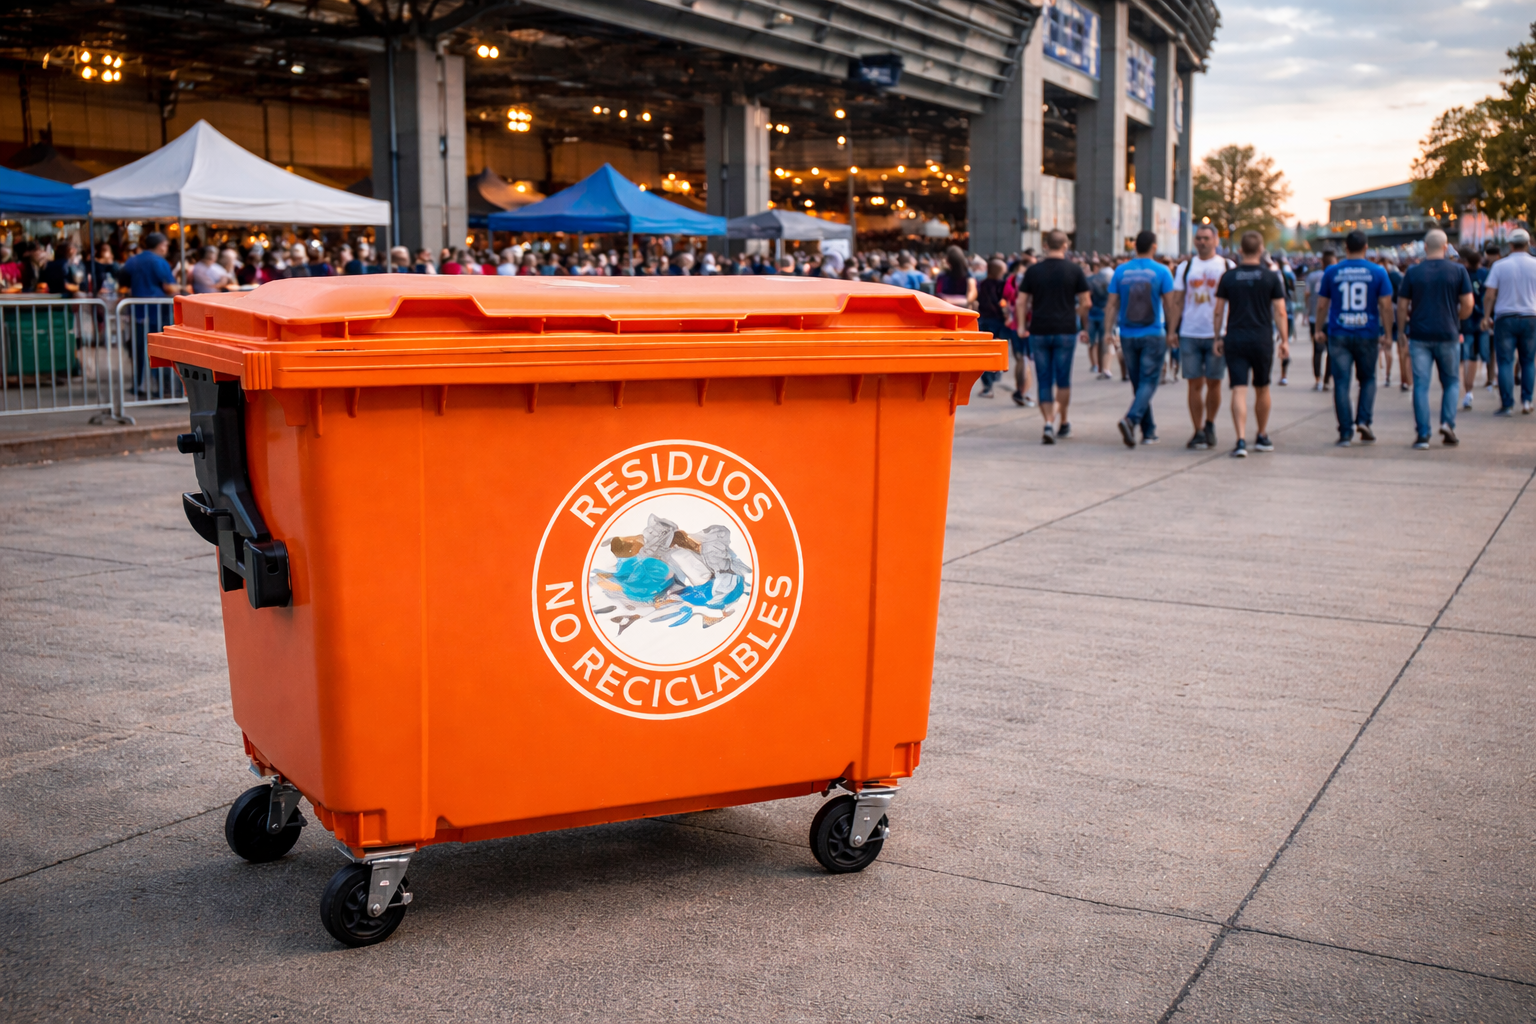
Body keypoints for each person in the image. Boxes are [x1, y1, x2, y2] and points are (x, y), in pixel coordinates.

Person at [1213, 230, 1289, 457]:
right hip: (1261, 338)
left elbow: (1218, 310)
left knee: (1238, 389)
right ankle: (1262, 434)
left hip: (1235, 336)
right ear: (1261, 249)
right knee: (1262, 387)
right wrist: (1284, 340)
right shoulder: (1270, 277)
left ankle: (1240, 439)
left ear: (1240, 250)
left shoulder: (1229, 277)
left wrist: (1218, 336)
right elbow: (1280, 311)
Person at [1316, 231, 1394, 446]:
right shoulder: (1378, 272)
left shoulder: (1332, 271)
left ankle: (1345, 431)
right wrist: (1387, 334)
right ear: (1366, 247)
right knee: (1368, 379)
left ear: (1345, 247)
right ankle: (1364, 420)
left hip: (1339, 332)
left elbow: (1322, 304)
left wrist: (1317, 329)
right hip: (1366, 332)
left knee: (1341, 382)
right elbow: (1386, 306)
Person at [1398, 229, 1472, 447]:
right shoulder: (1458, 271)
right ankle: (1448, 423)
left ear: (1424, 247)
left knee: (1421, 385)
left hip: (1419, 334)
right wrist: (1456, 319)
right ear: (1445, 246)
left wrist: (1402, 330)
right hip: (1448, 333)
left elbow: (1402, 305)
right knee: (1451, 382)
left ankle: (1423, 434)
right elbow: (1468, 303)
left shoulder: (1413, 272)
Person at [1105, 231, 1177, 446]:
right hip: (1153, 332)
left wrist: (1108, 332)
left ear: (1135, 246)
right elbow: (1170, 305)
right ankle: (1131, 419)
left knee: (1138, 383)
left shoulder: (1121, 271)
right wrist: (1172, 331)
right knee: (1150, 381)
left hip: (1127, 333)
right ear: (1154, 247)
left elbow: (1111, 304)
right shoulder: (1162, 271)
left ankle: (1149, 431)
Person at [1018, 231, 1090, 443]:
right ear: (1066, 245)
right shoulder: (1074, 270)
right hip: (1065, 329)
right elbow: (1086, 302)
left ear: (1045, 245)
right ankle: (1058, 421)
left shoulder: (1033, 271)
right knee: (1063, 381)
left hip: (1039, 329)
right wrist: (1075, 316)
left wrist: (1022, 326)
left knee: (1044, 380)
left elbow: (1021, 302)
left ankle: (1050, 423)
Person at [1169, 224, 1232, 449]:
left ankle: (1210, 423)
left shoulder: (1227, 266)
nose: (1201, 242)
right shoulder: (1186, 267)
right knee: (1193, 383)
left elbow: (1233, 302)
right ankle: (1197, 430)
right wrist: (1172, 331)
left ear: (1216, 240)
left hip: (1217, 334)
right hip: (1190, 332)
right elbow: (1177, 301)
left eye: (1206, 238)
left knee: (1215, 382)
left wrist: (1229, 331)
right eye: (1198, 238)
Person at [119, 231, 182, 399]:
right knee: (160, 350)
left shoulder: (133, 260)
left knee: (139, 349)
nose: (166, 248)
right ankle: (163, 388)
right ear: (161, 245)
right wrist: (182, 288)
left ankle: (139, 384)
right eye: (166, 245)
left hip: (138, 312)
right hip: (158, 312)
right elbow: (169, 287)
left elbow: (123, 282)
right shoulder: (159, 262)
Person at [1483, 228, 1536, 415]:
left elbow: (1490, 295)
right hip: (1530, 316)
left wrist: (1485, 316)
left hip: (1505, 317)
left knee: (1505, 361)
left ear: (1510, 245)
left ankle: (1507, 404)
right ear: (1528, 244)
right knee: (1528, 361)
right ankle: (1527, 401)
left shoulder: (1500, 266)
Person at [1459, 249, 1489, 410]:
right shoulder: (1485, 274)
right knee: (1484, 353)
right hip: (1483, 318)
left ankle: (1468, 391)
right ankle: (1490, 377)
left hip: (1467, 320)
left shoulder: (1462, 275)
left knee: (1468, 357)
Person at [1304, 252, 1334, 390]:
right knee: (1331, 351)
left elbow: (1306, 292)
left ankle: (1317, 379)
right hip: (1331, 318)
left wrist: (1308, 307)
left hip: (1314, 317)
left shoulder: (1311, 276)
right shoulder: (1335, 276)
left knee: (1317, 350)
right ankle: (1327, 380)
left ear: (1322, 263)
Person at [1085, 259, 1112, 379]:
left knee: (1092, 342)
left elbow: (1086, 299)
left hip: (1092, 313)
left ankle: (1095, 365)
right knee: (1105, 342)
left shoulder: (1090, 280)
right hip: (1105, 313)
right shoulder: (1109, 278)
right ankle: (1105, 368)